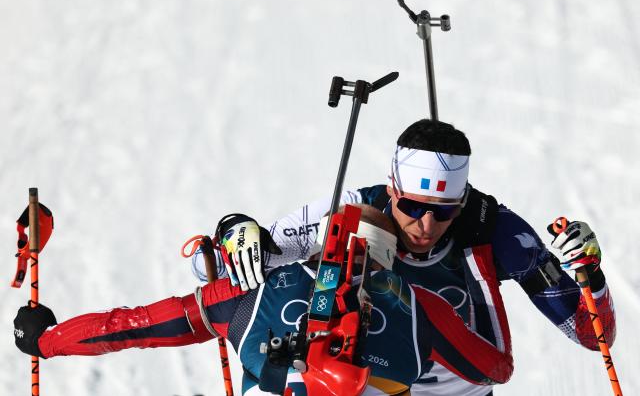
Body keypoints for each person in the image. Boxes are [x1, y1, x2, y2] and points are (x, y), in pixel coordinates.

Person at [197, 119, 616, 396]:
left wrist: (589, 275)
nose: (427, 225)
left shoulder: (499, 230)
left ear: (463, 199)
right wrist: (235, 231)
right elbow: (235, 260)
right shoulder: (355, 210)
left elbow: (591, 334)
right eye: (413, 207)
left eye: (445, 211)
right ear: (392, 189)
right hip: (372, 384)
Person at [14, 205, 513, 395]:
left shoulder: (246, 294)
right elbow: (494, 369)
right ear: (386, 262)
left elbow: (138, 325)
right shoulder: (422, 307)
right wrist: (481, 268)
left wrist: (49, 340)